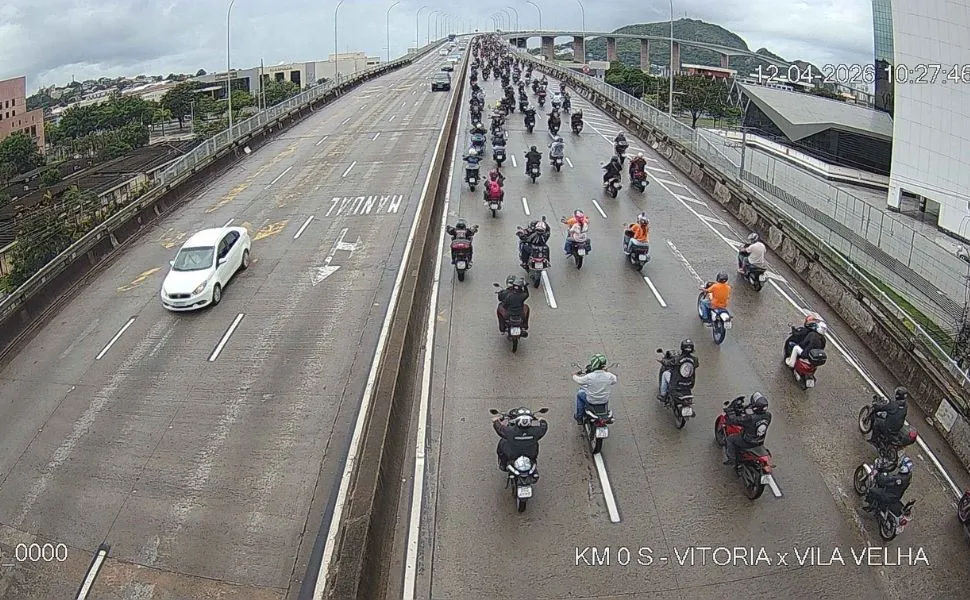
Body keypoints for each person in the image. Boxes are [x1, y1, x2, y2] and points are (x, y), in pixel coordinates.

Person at [724, 392, 772, 465]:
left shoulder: (749, 419)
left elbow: (735, 420)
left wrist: (731, 413)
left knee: (730, 439)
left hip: (747, 441)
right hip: (759, 441)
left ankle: (732, 459)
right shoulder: (768, 415)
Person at [573, 353, 617, 423]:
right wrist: (607, 372)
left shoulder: (589, 376)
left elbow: (579, 381)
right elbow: (614, 380)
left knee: (580, 394)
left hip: (591, 400)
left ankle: (579, 417)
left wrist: (574, 375)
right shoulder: (609, 376)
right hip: (604, 400)